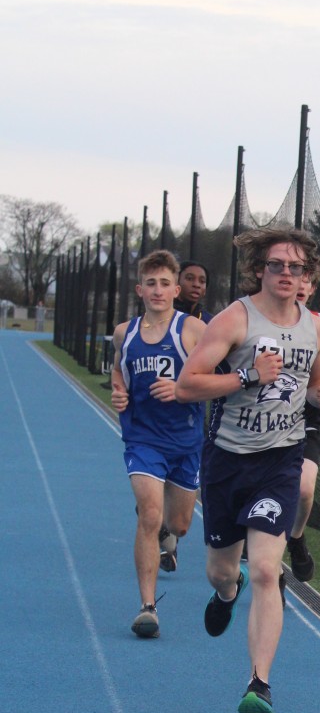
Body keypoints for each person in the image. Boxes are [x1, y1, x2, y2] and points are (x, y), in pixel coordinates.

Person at [176, 226, 320, 713]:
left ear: (308, 274)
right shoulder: (235, 318)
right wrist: (248, 375)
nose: (287, 274)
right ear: (260, 269)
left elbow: (315, 383)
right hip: (227, 460)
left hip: (280, 461)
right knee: (222, 570)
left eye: (296, 267)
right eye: (277, 265)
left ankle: (259, 683)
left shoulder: (318, 328)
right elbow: (187, 385)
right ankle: (228, 591)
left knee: (267, 568)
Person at [110, 249, 206, 638]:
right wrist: (119, 390)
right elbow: (118, 367)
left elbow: (215, 379)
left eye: (165, 283)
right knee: (149, 515)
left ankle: (167, 530)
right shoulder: (125, 332)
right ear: (140, 289)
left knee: (179, 525)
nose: (158, 290)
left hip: (185, 440)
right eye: (150, 283)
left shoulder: (193, 331)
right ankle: (147, 607)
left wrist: (181, 388)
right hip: (143, 438)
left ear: (176, 290)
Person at [283, 276, 320, 582]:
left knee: (305, 489)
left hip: (306, 419)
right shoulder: (258, 320)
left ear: (314, 287)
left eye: (307, 280)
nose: (301, 285)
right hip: (264, 420)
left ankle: (296, 538)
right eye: (296, 277)